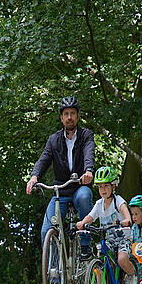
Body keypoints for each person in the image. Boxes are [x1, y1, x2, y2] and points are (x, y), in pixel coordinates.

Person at [26, 96, 94, 259]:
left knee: (85, 197)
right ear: (61, 118)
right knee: (46, 230)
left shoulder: (86, 135)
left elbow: (89, 154)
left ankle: (85, 245)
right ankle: (55, 279)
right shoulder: (54, 140)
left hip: (79, 186)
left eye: (72, 113)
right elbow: (44, 159)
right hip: (61, 191)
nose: (69, 117)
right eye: (66, 114)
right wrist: (34, 177)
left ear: (78, 116)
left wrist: (89, 170)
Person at [76, 167, 137, 284]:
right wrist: (82, 223)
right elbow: (90, 216)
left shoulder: (118, 201)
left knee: (122, 259)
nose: (102, 190)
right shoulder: (99, 204)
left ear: (113, 186)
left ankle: (132, 275)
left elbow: (127, 214)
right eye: (100, 187)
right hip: (108, 239)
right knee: (99, 260)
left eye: (106, 186)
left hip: (123, 239)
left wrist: (126, 221)